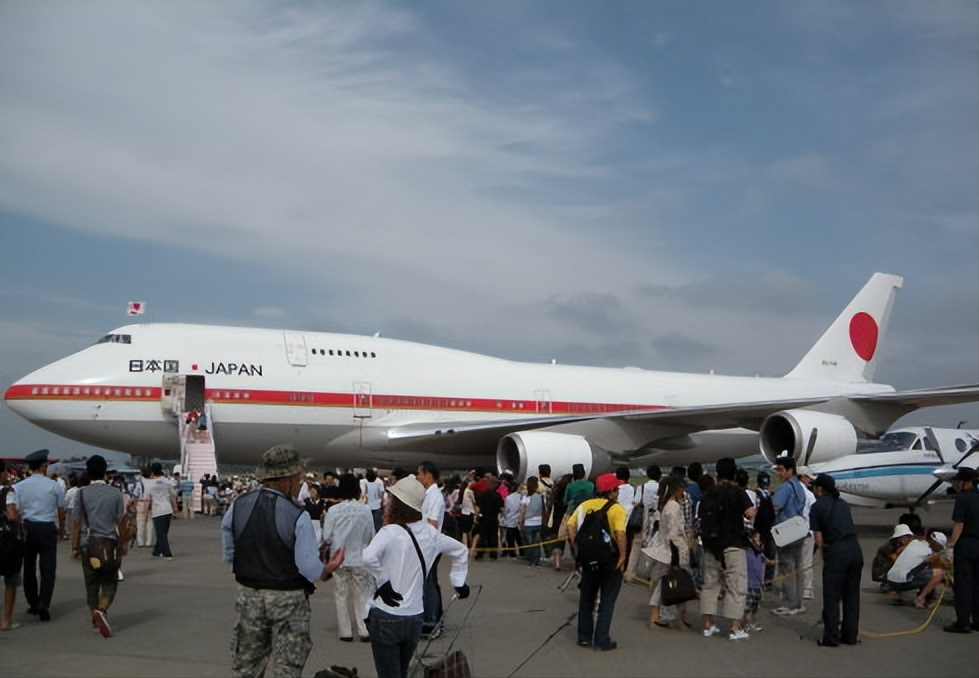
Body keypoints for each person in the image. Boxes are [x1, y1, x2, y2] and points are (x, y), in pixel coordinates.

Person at [221, 444, 345, 678]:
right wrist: (327, 569)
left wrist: (243, 561)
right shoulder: (298, 515)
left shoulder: (239, 504)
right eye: (298, 477)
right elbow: (309, 568)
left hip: (249, 593)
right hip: (288, 597)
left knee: (247, 664)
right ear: (288, 479)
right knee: (287, 666)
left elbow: (228, 540)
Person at [362, 474, 470, 678]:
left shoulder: (390, 532)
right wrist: (459, 582)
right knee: (402, 671)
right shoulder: (431, 534)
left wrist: (383, 581)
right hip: (414, 617)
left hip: (385, 614)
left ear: (397, 505)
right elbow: (461, 550)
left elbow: (368, 557)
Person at [567, 472, 627, 651]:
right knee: (607, 600)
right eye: (616, 489)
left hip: (587, 559)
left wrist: (577, 549)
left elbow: (570, 526)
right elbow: (620, 534)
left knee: (586, 598)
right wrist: (623, 556)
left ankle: (584, 636)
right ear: (610, 491)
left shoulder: (584, 505)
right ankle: (601, 639)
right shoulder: (616, 509)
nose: (617, 492)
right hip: (609, 560)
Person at [698, 457, 755, 641]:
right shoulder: (737, 492)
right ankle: (734, 627)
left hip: (710, 545)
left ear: (717, 473)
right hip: (733, 544)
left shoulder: (707, 494)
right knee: (736, 585)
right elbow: (749, 513)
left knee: (710, 584)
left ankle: (708, 624)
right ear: (734, 474)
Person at [69, 455, 125, 638]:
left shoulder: (81, 493)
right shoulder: (115, 493)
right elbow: (120, 522)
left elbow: (76, 522)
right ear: (104, 472)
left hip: (87, 544)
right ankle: (102, 609)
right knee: (109, 582)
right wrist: (123, 544)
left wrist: (74, 547)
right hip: (107, 544)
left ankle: (95, 619)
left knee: (91, 583)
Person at [809, 473, 863, 647]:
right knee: (852, 596)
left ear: (819, 489)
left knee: (832, 596)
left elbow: (818, 537)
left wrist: (821, 554)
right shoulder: (843, 504)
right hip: (854, 550)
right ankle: (850, 636)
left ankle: (831, 637)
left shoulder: (817, 507)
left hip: (836, 551)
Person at [322, 473, 376, 643]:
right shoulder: (365, 510)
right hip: (360, 557)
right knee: (363, 594)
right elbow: (370, 534)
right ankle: (364, 629)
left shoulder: (333, 510)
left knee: (341, 594)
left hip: (339, 559)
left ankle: (345, 631)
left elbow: (327, 536)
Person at [15, 449, 65, 621]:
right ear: (44, 465)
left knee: (29, 566)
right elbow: (60, 509)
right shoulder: (54, 486)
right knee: (48, 567)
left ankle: (33, 602)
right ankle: (45, 603)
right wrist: (62, 527)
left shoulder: (19, 486)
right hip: (47, 526)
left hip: (28, 526)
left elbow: (17, 510)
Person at [645, 475, 691, 631]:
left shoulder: (666, 505)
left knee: (663, 584)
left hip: (665, 549)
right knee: (677, 585)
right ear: (678, 489)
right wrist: (682, 546)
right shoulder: (674, 506)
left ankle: (660, 617)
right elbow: (673, 532)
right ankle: (673, 618)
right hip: (673, 550)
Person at [944, 467, 979, 634]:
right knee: (978, 585)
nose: (957, 484)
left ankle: (962, 622)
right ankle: (977, 620)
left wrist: (951, 545)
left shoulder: (963, 499)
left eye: (959, 481)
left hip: (966, 545)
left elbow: (959, 524)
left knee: (963, 585)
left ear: (966, 482)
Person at [771, 455, 807, 615]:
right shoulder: (799, 486)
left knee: (786, 567)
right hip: (798, 529)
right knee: (798, 566)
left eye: (781, 470)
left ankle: (789, 603)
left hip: (786, 530)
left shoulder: (785, 488)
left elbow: (776, 506)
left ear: (789, 470)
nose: (779, 473)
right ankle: (798, 602)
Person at [416, 461, 446, 637]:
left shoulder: (435, 496)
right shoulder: (429, 494)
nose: (419, 477)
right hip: (427, 544)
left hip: (430, 544)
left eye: (420, 474)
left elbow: (432, 523)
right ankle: (435, 616)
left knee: (429, 583)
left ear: (427, 475)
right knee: (430, 581)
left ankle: (431, 619)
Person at [886, 528, 947, 608]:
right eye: (940, 547)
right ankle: (920, 599)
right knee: (938, 574)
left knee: (913, 568)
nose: (940, 550)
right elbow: (934, 567)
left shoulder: (914, 543)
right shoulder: (928, 552)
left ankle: (897, 593)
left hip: (890, 579)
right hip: (903, 581)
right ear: (935, 543)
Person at [1, 462, 24, 631]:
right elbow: (11, 514)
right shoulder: (7, 492)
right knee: (11, 579)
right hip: (6, 540)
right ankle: (6, 620)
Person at [145, 463, 179, 559]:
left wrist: (146, 513)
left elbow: (148, 499)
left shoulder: (149, 483)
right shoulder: (167, 481)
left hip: (157, 510)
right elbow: (173, 495)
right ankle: (157, 550)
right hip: (167, 508)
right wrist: (175, 508)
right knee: (163, 532)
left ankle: (167, 553)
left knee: (161, 533)